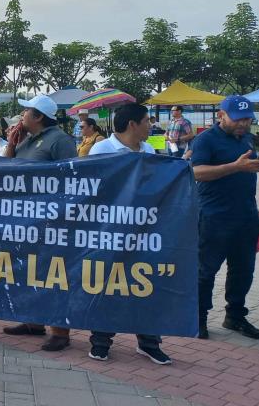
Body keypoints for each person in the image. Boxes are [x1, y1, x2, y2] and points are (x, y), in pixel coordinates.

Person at [84, 103, 171, 364]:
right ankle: (101, 341)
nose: (150, 125)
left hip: (144, 230)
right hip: (111, 231)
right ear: (132, 124)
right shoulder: (103, 149)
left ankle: (149, 341)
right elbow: (95, 189)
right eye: (146, 121)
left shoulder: (149, 149)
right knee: (108, 284)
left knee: (146, 285)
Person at [1, 94, 78, 351]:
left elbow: (72, 177)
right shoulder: (26, 140)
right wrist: (12, 144)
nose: (21, 116)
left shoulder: (60, 140)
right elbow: (8, 170)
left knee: (53, 273)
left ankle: (60, 330)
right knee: (28, 269)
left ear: (38, 117)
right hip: (26, 218)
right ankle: (32, 321)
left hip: (51, 220)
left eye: (26, 112)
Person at [191, 95, 259, 340]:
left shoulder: (247, 139)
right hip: (214, 218)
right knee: (206, 271)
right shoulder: (205, 140)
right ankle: (198, 318)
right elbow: (196, 173)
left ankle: (235, 316)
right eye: (238, 119)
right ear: (221, 115)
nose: (243, 124)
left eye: (247, 119)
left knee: (243, 271)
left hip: (245, 218)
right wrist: (236, 166)